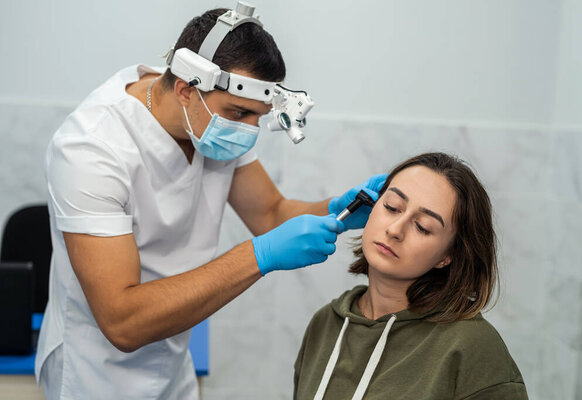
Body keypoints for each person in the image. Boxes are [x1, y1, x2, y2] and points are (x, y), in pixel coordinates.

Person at [34, 5, 385, 400]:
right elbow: (123, 322)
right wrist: (258, 257)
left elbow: (270, 212)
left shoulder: (208, 122)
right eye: (238, 113)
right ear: (186, 89)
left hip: (173, 355)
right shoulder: (91, 150)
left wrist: (343, 208)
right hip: (95, 372)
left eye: (257, 117)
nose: (247, 132)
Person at [294, 152, 529, 400]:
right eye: (392, 207)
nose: (395, 230)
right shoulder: (325, 323)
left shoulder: (472, 347)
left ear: (446, 256)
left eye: (423, 227)